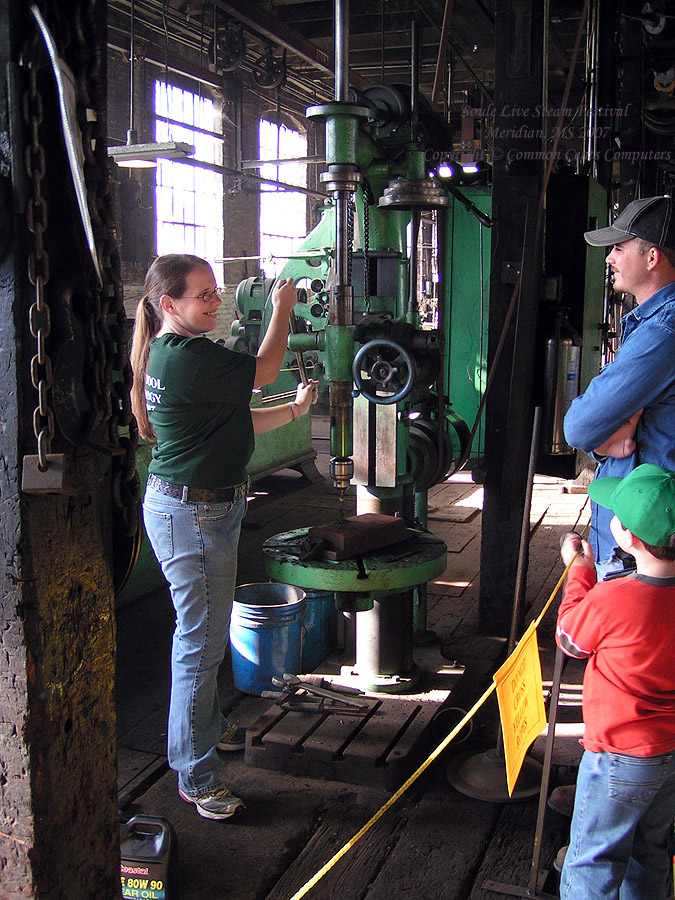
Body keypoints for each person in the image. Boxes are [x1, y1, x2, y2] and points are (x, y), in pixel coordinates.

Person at [130, 253, 318, 821]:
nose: (217, 303)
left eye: (217, 291)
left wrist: (292, 412)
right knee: (200, 645)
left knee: (203, 635)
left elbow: (236, 418)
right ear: (169, 305)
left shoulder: (180, 355)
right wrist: (282, 309)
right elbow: (263, 370)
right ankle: (195, 773)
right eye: (204, 295)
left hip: (204, 508)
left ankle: (205, 727)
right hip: (194, 515)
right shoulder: (186, 356)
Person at [555, 463, 675, 900]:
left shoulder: (615, 599)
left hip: (619, 758)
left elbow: (570, 638)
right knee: (652, 850)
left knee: (593, 860)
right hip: (669, 753)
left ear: (628, 538)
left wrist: (579, 571)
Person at [563, 194, 675, 580]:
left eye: (618, 247)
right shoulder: (653, 323)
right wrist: (605, 441)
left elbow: (578, 425)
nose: (609, 258)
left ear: (652, 257)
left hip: (640, 542)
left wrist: (601, 437)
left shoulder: (664, 330)